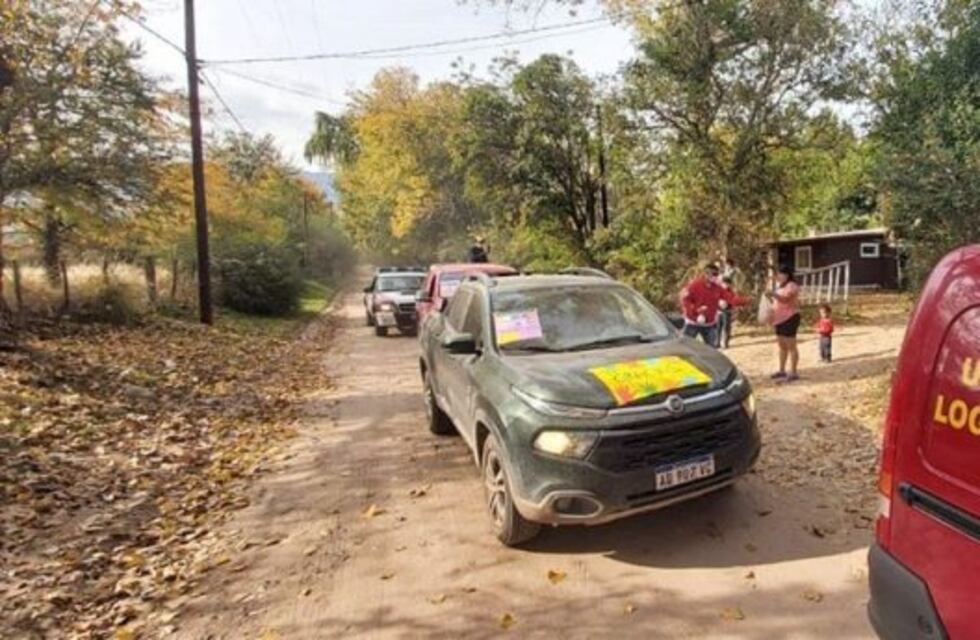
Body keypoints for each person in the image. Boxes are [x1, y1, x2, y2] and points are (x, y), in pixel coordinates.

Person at [680, 263, 750, 347]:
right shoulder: (694, 285)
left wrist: (746, 300)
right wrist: (695, 310)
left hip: (709, 324)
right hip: (693, 323)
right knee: (686, 347)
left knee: (712, 349)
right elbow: (685, 300)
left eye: (717, 274)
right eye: (714, 274)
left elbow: (731, 299)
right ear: (706, 273)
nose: (716, 276)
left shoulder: (717, 288)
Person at [766, 265, 801, 381]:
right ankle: (782, 370)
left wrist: (773, 294)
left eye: (780, 274)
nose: (778, 276)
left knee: (791, 345)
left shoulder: (792, 286)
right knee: (782, 346)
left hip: (790, 317)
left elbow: (786, 299)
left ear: (786, 275)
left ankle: (794, 372)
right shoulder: (779, 286)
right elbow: (777, 301)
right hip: (779, 318)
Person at [717, 275, 736, 349]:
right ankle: (717, 342)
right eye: (723, 283)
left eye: (727, 283)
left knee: (726, 327)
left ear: (729, 284)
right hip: (719, 312)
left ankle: (725, 342)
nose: (725, 285)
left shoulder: (731, 292)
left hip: (727, 312)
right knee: (718, 328)